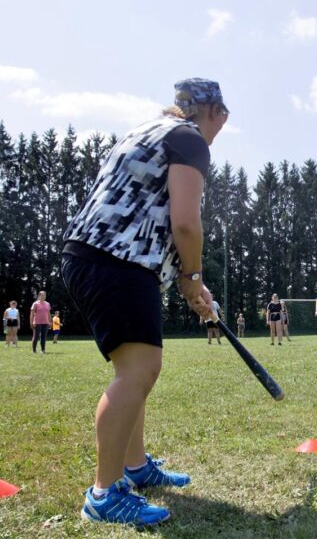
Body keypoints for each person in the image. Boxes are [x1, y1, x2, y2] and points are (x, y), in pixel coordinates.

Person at [60, 77, 225, 527]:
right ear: (216, 113)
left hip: (94, 257)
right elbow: (186, 223)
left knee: (134, 369)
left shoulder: (144, 130)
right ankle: (104, 494)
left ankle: (135, 467)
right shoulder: (190, 139)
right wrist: (192, 277)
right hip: (118, 262)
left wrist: (190, 279)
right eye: (222, 118)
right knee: (139, 371)